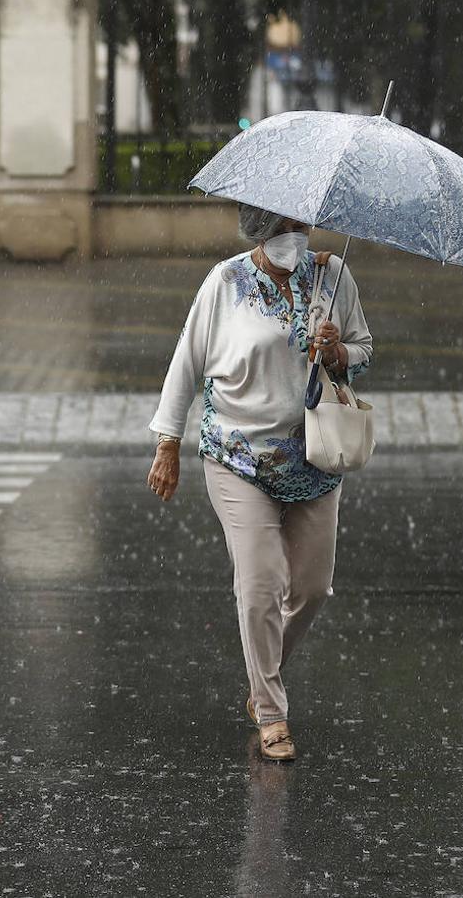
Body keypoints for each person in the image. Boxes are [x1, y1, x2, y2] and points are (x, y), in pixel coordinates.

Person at [146, 204, 373, 762]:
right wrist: (168, 443)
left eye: (300, 227)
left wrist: (337, 350)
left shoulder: (333, 275)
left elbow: (364, 351)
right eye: (280, 229)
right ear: (257, 231)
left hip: (314, 458)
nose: (292, 239)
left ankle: (262, 673)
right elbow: (187, 361)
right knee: (262, 583)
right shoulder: (225, 282)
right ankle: (271, 710)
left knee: (312, 588)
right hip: (237, 456)